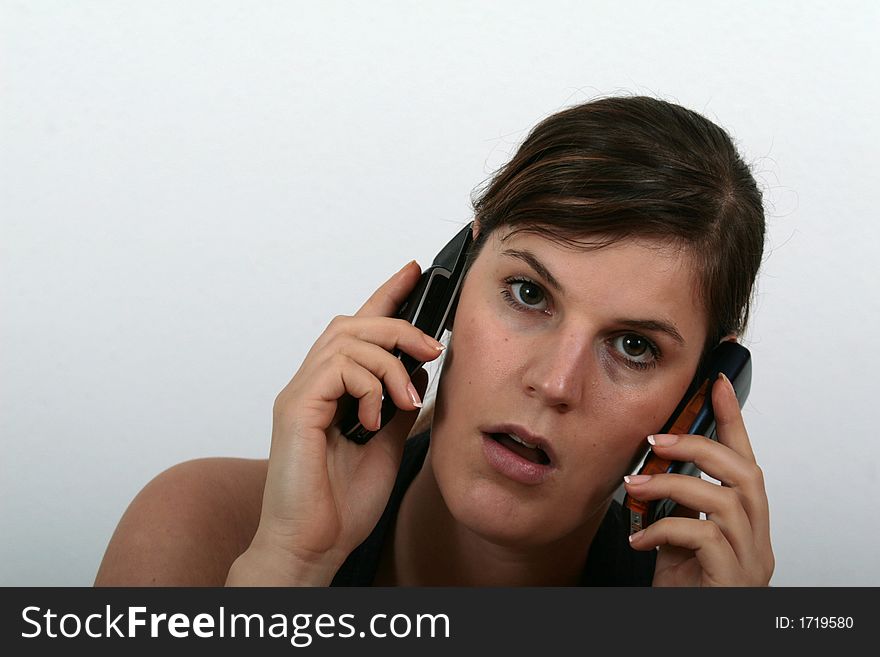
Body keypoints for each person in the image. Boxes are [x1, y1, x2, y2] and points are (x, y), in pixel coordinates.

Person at [95, 96, 774, 587]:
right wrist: (291, 567)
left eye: (633, 346)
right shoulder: (199, 535)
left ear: (702, 393)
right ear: (446, 294)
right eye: (529, 295)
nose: (556, 384)